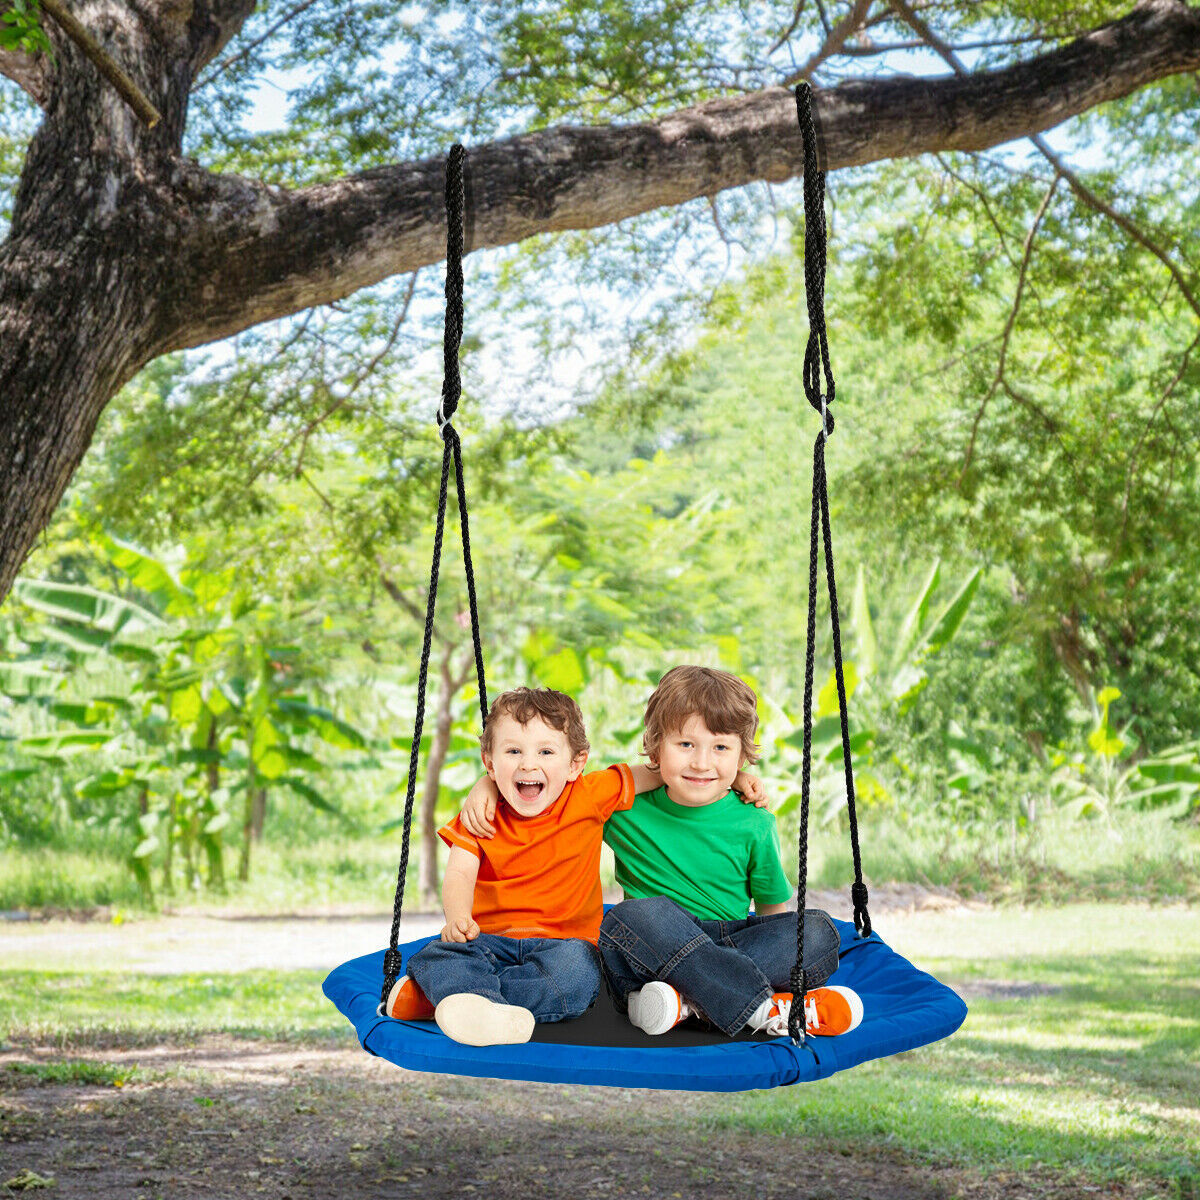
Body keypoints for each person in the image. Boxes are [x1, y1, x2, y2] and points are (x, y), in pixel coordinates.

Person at [460, 666, 861, 1041]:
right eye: (685, 744)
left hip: (722, 942)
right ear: (656, 749)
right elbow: (548, 783)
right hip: (644, 953)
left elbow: (774, 912)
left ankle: (687, 1005)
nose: (702, 762)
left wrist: (778, 958)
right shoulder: (624, 809)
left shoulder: (754, 823)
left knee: (818, 931)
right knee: (635, 913)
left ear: (741, 755)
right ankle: (760, 1005)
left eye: (721, 748)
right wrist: (488, 785)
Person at [383, 685, 768, 1047]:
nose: (527, 765)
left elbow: (676, 771)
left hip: (565, 946)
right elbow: (460, 873)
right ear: (490, 761)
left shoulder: (588, 795)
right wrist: (457, 918)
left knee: (577, 979)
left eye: (546, 753)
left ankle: (453, 1002)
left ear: (575, 764)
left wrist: (733, 778)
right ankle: (475, 1004)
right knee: (438, 954)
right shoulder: (481, 816)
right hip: (487, 940)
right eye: (513, 752)